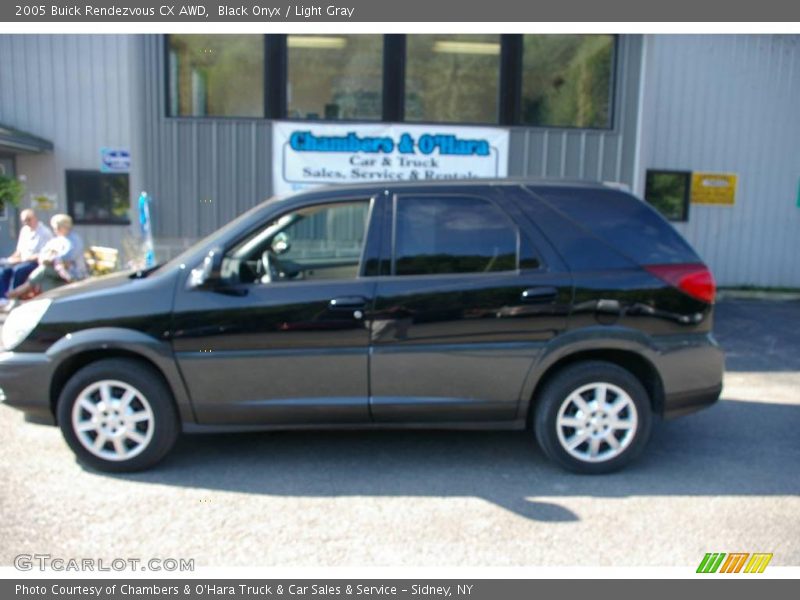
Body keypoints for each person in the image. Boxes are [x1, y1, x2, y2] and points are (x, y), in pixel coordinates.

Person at [6, 214, 88, 306]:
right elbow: (44, 252)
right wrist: (47, 256)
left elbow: (68, 257)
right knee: (45, 279)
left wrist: (51, 257)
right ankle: (45, 303)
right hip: (60, 271)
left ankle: (17, 293)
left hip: (74, 273)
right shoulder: (59, 239)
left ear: (63, 227)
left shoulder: (74, 240)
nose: (55, 230)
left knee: (41, 270)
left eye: (56, 228)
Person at [0, 209, 53, 301]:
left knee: (19, 270)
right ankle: (3, 298)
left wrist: (25, 259)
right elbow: (19, 251)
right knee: (4, 270)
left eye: (29, 219)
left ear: (35, 218)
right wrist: (9, 259)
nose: (26, 222)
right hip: (21, 260)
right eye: (24, 220)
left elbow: (45, 254)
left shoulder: (45, 232)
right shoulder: (24, 231)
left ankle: (14, 297)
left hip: (35, 262)